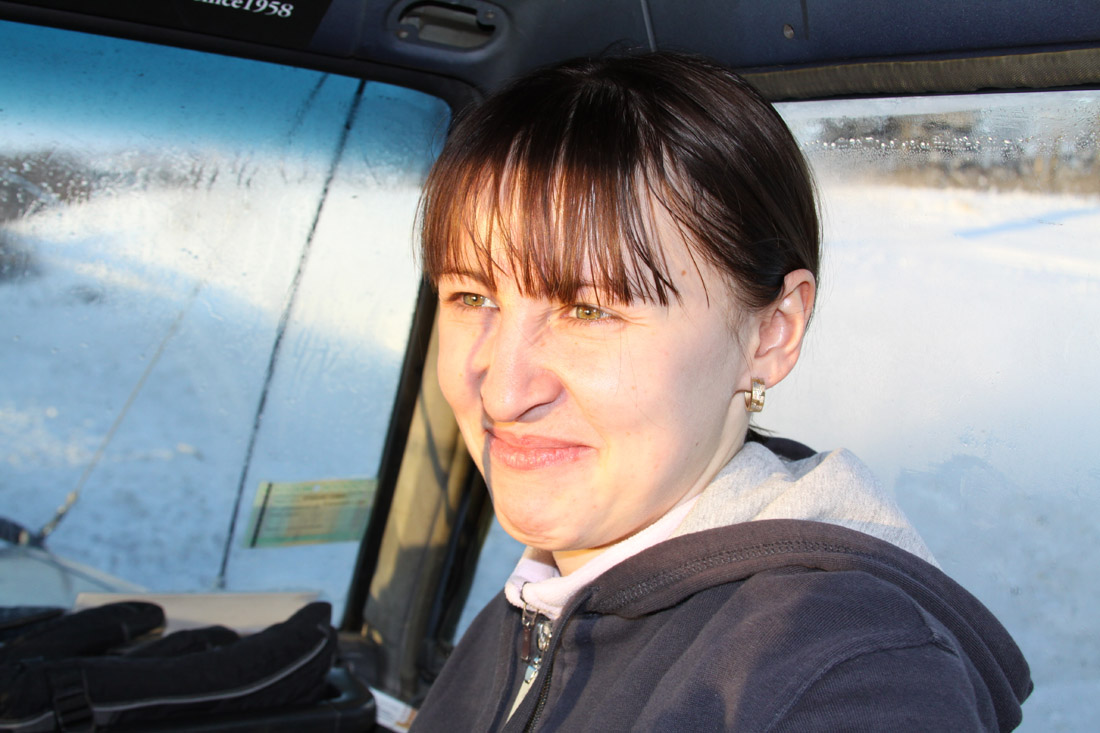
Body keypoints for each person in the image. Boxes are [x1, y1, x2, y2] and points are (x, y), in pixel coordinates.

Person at [410, 52, 1031, 731]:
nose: (503, 393)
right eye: (471, 297)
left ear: (770, 333)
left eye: (589, 310)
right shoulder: (540, 606)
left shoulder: (847, 675)